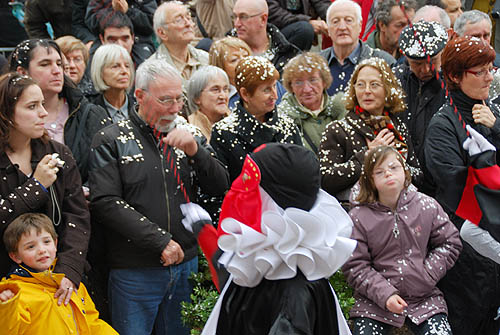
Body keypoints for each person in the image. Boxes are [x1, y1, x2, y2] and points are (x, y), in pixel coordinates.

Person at [88, 58, 230, 335]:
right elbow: (105, 202)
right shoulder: (110, 139)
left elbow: (220, 184)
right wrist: (160, 241)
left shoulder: (187, 133)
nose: (176, 108)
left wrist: (196, 151)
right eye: (166, 100)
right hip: (134, 268)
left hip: (185, 262)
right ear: (139, 96)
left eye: (179, 99)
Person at [179, 143, 357, 334]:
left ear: (274, 203)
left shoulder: (295, 290)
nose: (238, 192)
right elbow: (235, 284)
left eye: (249, 184)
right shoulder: (268, 259)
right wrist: (204, 232)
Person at [425, 35, 500, 335]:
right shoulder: (443, 124)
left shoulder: (493, 112)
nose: (488, 76)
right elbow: (453, 181)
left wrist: (496, 128)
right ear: (455, 76)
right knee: (472, 318)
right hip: (465, 237)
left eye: (490, 69)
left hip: (494, 229)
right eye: (479, 71)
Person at [343, 145, 461, 335]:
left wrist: (427, 274)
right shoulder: (358, 216)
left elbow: (450, 242)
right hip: (373, 304)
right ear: (370, 180)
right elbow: (354, 264)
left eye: (394, 167)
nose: (388, 174)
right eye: (379, 172)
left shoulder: (426, 205)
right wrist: (385, 294)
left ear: (405, 171)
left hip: (425, 299)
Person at [0, 73, 90, 305]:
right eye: (32, 106)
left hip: (59, 284)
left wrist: (68, 271)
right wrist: (35, 186)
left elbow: (77, 217)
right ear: (6, 113)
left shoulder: (58, 153)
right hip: (7, 290)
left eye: (42, 104)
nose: (43, 112)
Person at [319, 57, 421, 207]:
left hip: (400, 211)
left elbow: (418, 175)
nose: (366, 91)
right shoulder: (337, 130)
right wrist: (367, 155)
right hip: (355, 215)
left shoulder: (398, 127)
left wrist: (396, 164)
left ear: (387, 89)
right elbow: (325, 180)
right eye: (360, 85)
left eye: (374, 85)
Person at [9, 39, 110, 184]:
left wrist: (84, 193)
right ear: (22, 72)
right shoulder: (9, 118)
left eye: (59, 64)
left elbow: (107, 168)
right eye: (45, 64)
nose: (57, 71)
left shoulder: (90, 114)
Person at [0, 213, 116, 334]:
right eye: (31, 247)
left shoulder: (72, 283)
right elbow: (7, 330)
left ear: (55, 244)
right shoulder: (14, 292)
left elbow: (92, 323)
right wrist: (7, 306)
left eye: (46, 242)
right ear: (15, 256)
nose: (42, 250)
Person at [211, 56, 302, 182]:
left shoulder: (288, 126)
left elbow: (302, 177)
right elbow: (221, 188)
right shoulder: (223, 133)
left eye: (275, 86)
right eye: (266, 90)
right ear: (245, 94)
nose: (275, 96)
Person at [394, 20, 448, 196]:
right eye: (417, 64)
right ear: (406, 58)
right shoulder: (394, 82)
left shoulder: (453, 83)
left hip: (441, 181)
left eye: (432, 61)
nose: (426, 69)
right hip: (404, 180)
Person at [320, 0, 395, 95]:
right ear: (328, 29)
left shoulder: (384, 62)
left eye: (348, 20)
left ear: (360, 26)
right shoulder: (316, 64)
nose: (342, 27)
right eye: (335, 22)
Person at [278, 52, 346, 154]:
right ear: (291, 86)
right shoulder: (283, 119)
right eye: (298, 82)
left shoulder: (342, 109)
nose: (307, 89)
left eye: (313, 80)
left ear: (324, 81)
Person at [209, 36, 288, 110]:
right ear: (221, 67)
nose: (243, 61)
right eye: (234, 60)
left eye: (246, 56)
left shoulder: (270, 82)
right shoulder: (220, 97)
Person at [230, 0, 300, 74]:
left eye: (243, 17)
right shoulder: (224, 52)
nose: (237, 24)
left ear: (263, 19)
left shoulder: (288, 55)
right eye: (234, 17)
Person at [151, 1, 208, 86]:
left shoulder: (206, 59)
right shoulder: (152, 70)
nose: (188, 24)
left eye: (188, 17)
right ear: (162, 33)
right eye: (179, 20)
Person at [90, 44, 134, 123]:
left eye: (127, 66)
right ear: (100, 72)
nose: (124, 71)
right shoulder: (90, 112)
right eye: (115, 66)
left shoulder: (140, 108)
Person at [187, 66, 230, 141]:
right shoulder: (189, 128)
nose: (223, 96)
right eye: (215, 90)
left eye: (225, 89)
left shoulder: (238, 121)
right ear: (197, 98)